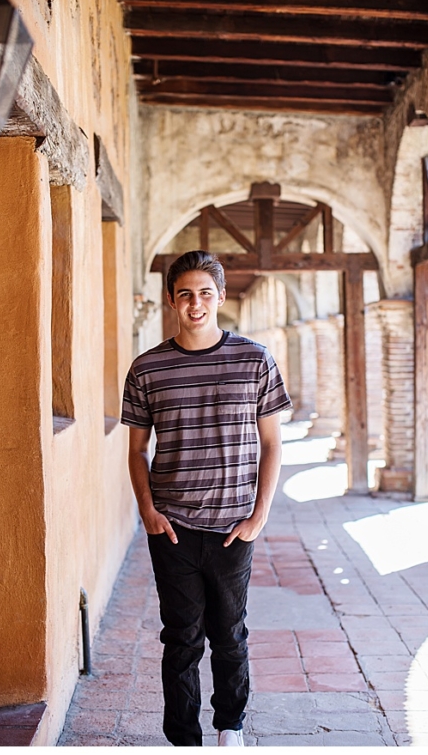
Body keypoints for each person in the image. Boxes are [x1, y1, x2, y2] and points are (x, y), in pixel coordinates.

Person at [122, 250, 291, 747]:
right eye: (185, 295)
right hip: (171, 527)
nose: (195, 304)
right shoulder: (147, 368)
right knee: (180, 639)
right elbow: (136, 450)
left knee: (230, 635)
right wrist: (147, 511)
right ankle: (182, 738)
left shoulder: (255, 359)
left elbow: (273, 442)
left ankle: (229, 727)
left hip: (233, 527)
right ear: (172, 301)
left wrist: (259, 515)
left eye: (204, 293)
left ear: (219, 296)